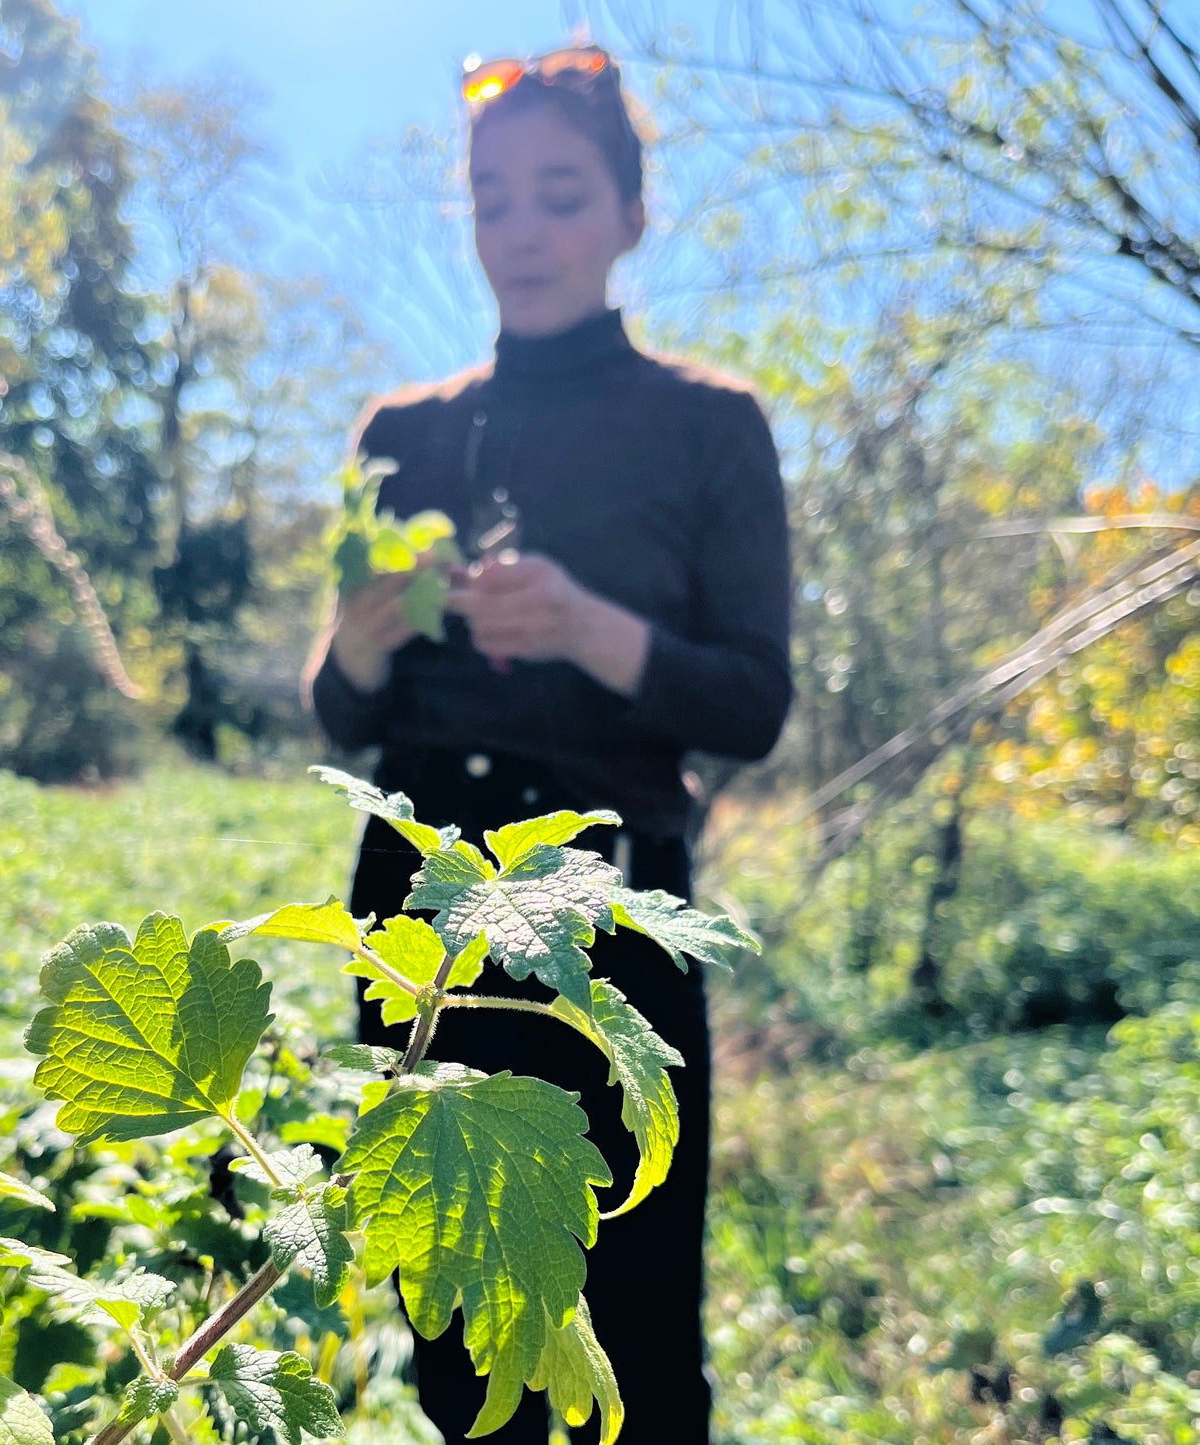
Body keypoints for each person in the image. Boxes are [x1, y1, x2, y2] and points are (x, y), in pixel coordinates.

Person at [304, 44, 791, 1443]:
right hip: (419, 921)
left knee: (634, 1339)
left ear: (633, 214)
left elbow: (751, 704)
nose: (521, 230)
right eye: (493, 196)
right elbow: (340, 712)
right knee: (460, 1341)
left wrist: (590, 630)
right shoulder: (400, 432)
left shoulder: (709, 426)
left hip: (609, 919)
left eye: (561, 194)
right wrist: (366, 637)